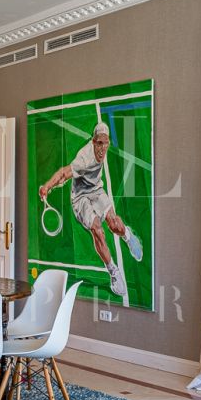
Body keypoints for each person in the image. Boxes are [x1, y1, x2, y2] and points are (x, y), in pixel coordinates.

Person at [39, 121, 143, 299]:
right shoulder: (84, 159)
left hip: (96, 190)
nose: (102, 148)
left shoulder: (103, 150)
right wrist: (47, 186)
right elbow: (63, 173)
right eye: (99, 143)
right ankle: (113, 272)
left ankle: (128, 235)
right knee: (98, 230)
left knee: (114, 224)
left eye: (106, 143)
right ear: (93, 142)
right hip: (80, 198)